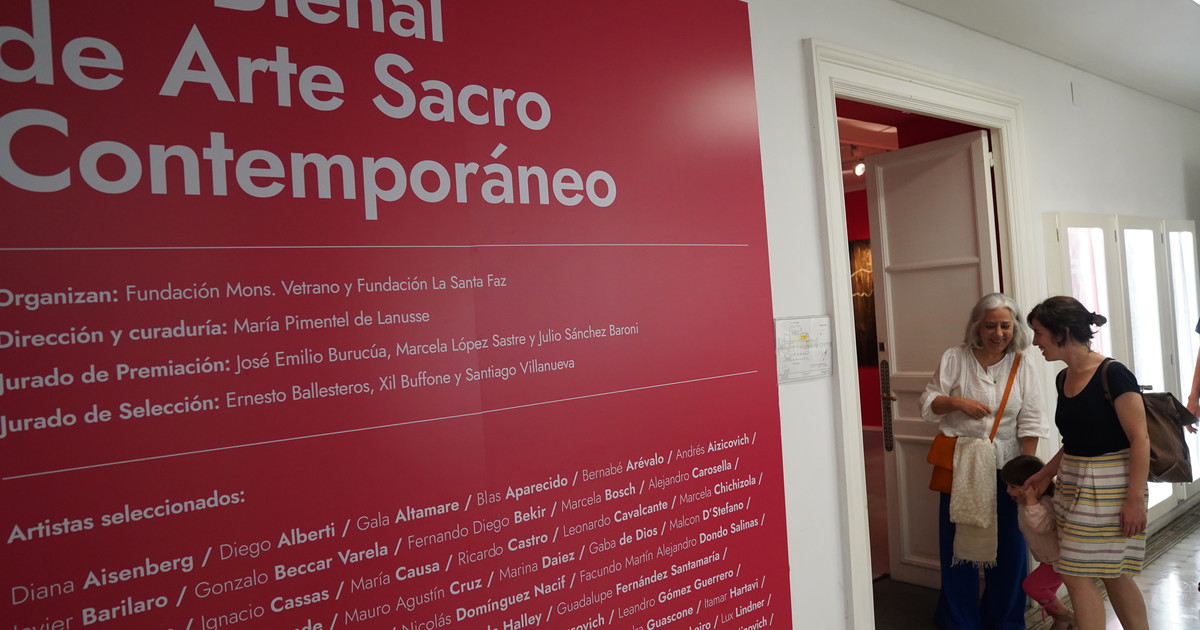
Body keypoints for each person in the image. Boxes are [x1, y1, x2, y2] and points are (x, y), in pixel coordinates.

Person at [920, 292, 1048, 630]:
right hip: (961, 465)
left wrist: (1027, 475)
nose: (998, 333)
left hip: (1007, 468)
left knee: (1010, 549)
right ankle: (959, 620)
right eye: (990, 325)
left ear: (1015, 327)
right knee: (958, 547)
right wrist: (957, 403)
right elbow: (928, 404)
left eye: (1005, 325)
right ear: (977, 325)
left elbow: (1032, 419)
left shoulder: (1022, 364)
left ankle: (1005, 621)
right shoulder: (955, 358)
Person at [1024, 296, 1150, 630]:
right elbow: (1075, 440)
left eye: (1039, 332)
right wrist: (1045, 473)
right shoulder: (1063, 378)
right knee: (1110, 572)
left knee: (1077, 573)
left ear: (1063, 332)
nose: (1035, 342)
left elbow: (1140, 438)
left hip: (1111, 485)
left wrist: (1135, 498)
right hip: (1073, 482)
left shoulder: (1114, 374)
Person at [1000, 455, 1074, 630]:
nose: (1008, 491)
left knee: (1032, 586)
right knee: (1047, 595)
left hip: (1058, 561)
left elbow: (1041, 526)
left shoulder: (1045, 504)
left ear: (1032, 487)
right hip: (1049, 560)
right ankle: (1062, 621)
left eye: (1013, 487)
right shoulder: (1027, 504)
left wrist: (1032, 502)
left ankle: (1070, 617)